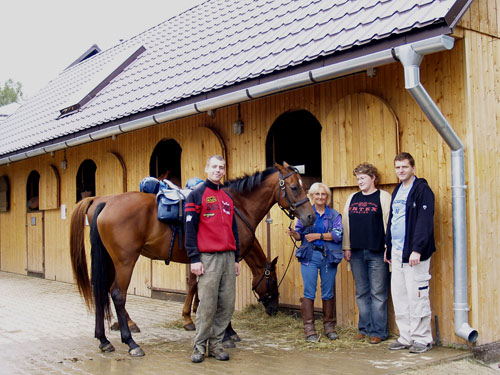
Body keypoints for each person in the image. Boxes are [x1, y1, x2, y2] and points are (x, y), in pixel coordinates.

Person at [184, 155, 240, 363]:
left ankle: (216, 346)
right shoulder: (196, 195)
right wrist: (194, 258)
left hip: (228, 257)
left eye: (221, 167)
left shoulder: (227, 198)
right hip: (208, 258)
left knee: (226, 305)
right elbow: (189, 229)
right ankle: (199, 346)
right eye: (214, 167)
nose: (218, 170)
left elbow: (233, 229)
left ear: (224, 171)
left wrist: (236, 258)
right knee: (207, 305)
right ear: (206, 169)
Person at [385, 152, 436, 354]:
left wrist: (417, 249)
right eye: (397, 167)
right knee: (399, 295)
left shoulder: (422, 190)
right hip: (396, 253)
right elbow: (392, 221)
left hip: (415, 254)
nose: (401, 171)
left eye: (404, 167)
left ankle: (422, 339)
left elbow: (424, 222)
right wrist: (388, 246)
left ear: (413, 168)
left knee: (417, 295)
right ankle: (405, 337)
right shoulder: (398, 190)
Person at [287, 182, 343, 342]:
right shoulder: (305, 213)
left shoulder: (334, 215)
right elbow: (299, 235)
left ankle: (329, 326)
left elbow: (338, 234)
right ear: (311, 196)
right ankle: (309, 328)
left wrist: (318, 236)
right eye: (317, 194)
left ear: (327, 197)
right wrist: (293, 233)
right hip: (310, 256)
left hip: (328, 257)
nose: (320, 197)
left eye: (323, 194)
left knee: (327, 291)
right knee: (309, 291)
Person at [342, 163, 391, 344]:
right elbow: (346, 225)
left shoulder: (383, 197)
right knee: (361, 292)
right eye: (357, 178)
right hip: (356, 253)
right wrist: (346, 247)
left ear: (373, 178)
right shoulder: (352, 198)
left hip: (377, 252)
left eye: (362, 177)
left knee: (378, 292)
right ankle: (364, 328)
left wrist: (388, 248)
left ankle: (378, 331)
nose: (359, 181)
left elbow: (388, 223)